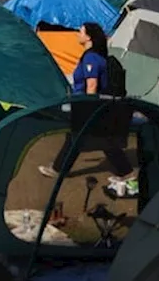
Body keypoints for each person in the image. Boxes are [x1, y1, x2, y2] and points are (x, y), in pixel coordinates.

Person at [39, 23, 131, 178]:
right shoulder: (96, 55)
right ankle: (125, 172)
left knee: (84, 138)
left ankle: (58, 169)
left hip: (87, 105)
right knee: (93, 139)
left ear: (89, 37)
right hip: (92, 105)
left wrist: (89, 108)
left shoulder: (91, 57)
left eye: (80, 31)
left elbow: (92, 84)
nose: (77, 34)